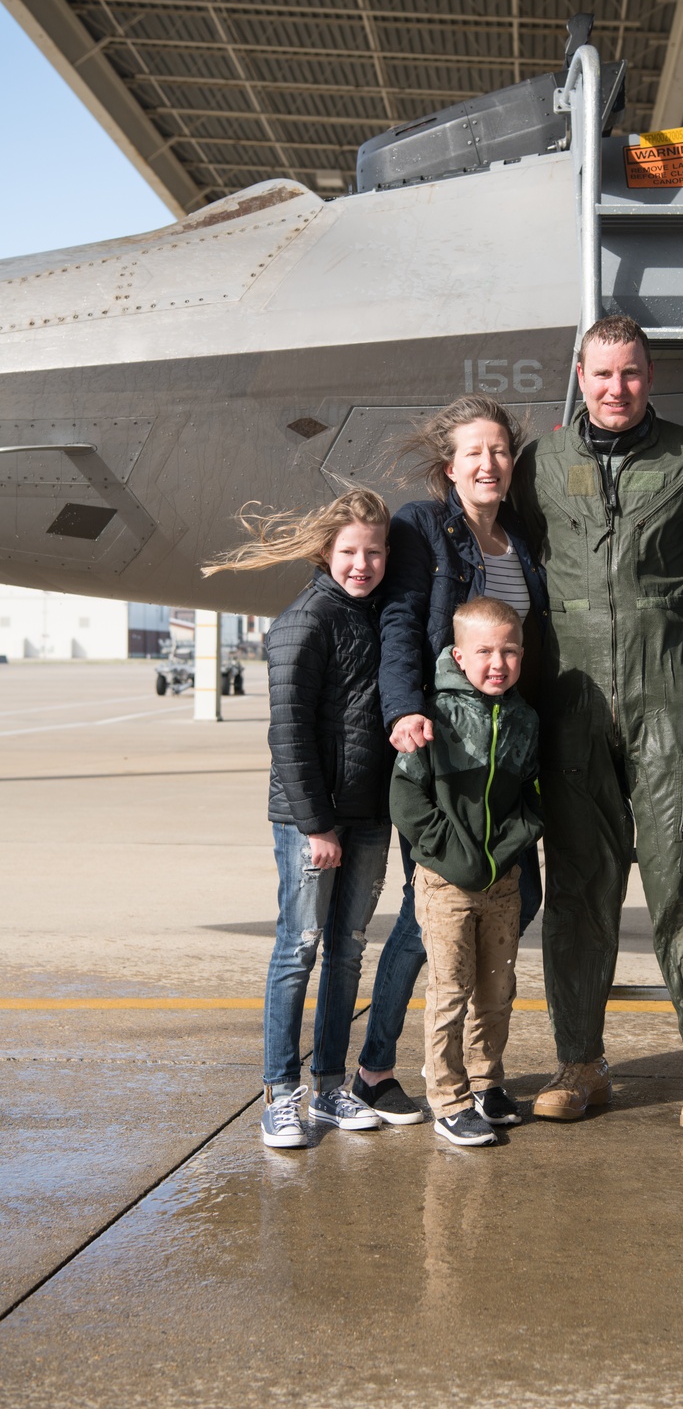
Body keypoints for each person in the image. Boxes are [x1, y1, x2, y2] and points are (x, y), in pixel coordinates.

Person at [513, 314, 683, 1133]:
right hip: (570, 698)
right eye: (603, 375)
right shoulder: (540, 465)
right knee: (578, 887)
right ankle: (580, 1064)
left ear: (652, 376)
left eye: (632, 374)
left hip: (668, 695)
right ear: (580, 376)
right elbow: (503, 563)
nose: (617, 390)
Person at [349, 395, 548, 1125]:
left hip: (504, 755)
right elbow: (402, 622)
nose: (490, 464)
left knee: (517, 900)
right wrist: (405, 709)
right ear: (449, 466)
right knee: (427, 918)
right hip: (444, 754)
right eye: (475, 453)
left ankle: (478, 1071)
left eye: (500, 451)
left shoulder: (519, 537)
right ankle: (376, 1066)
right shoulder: (424, 527)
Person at [203, 490, 393, 1148]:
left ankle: (332, 1087)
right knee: (299, 948)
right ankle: (282, 1095)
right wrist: (317, 827)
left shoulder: (376, 616)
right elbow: (288, 735)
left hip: (369, 815)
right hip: (313, 820)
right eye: (349, 552)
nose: (362, 564)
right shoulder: (304, 622)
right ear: (324, 553)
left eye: (373, 552)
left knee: (347, 953)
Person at [390, 597, 543, 1147]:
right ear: (458, 655)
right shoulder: (436, 717)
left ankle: (485, 1081)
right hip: (446, 884)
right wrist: (448, 853)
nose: (497, 663)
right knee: (450, 990)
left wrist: (511, 846)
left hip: (503, 883)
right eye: (483, 652)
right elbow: (406, 796)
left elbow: (533, 793)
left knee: (497, 990)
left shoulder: (524, 720)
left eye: (508, 651)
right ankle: (449, 1099)